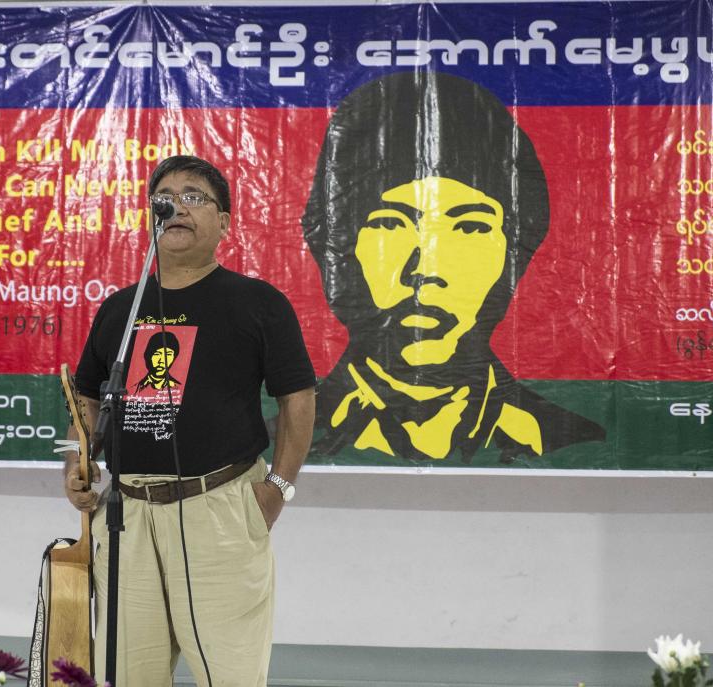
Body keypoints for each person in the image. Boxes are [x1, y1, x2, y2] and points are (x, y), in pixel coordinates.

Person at [64, 155, 316, 686]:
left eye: (195, 196)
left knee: (230, 677)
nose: (176, 205)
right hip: (126, 515)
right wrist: (77, 463)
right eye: (166, 197)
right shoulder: (121, 309)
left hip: (219, 510)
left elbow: (298, 399)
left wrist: (276, 489)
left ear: (225, 222)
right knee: (129, 676)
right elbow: (86, 397)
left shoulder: (258, 303)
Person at [302, 71, 605, 463]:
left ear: (516, 253)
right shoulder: (277, 441)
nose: (425, 270)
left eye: (469, 227)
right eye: (390, 223)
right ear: (332, 246)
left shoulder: (569, 443)